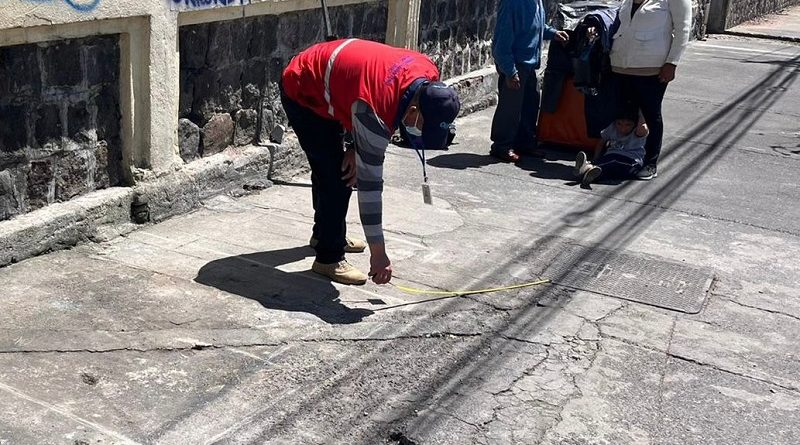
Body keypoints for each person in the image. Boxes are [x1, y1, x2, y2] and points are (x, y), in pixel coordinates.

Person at [280, 38, 460, 285]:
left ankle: (324, 234)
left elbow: (359, 99)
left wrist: (355, 146)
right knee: (337, 176)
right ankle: (328, 257)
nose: (416, 131)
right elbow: (370, 189)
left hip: (342, 84)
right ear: (414, 111)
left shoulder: (427, 73)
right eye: (420, 127)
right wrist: (379, 254)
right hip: (303, 85)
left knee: (335, 167)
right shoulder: (377, 112)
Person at [609, 0, 692, 179]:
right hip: (620, 65)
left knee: (650, 115)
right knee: (623, 113)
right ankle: (622, 155)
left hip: (652, 67)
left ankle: (650, 162)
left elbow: (683, 30)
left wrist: (672, 62)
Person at [490, 0, 569, 162]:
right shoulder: (512, 4)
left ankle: (524, 143)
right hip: (515, 64)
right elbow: (501, 43)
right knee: (510, 109)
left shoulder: (537, 2)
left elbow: (536, 27)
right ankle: (501, 146)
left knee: (531, 104)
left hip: (530, 64)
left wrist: (553, 33)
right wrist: (510, 71)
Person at [573, 105, 648, 186]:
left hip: (631, 162)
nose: (623, 128)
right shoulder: (612, 128)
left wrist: (640, 110)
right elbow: (601, 144)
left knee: (613, 162)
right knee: (605, 167)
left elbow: (642, 124)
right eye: (619, 124)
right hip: (610, 157)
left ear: (635, 124)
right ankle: (588, 175)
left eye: (628, 125)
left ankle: (586, 168)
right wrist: (595, 158)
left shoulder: (638, 132)